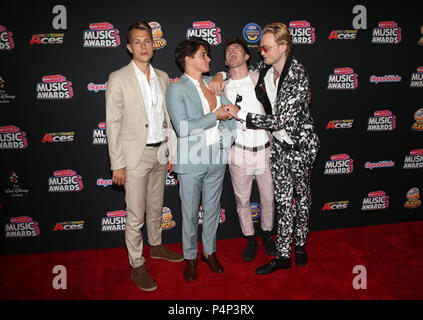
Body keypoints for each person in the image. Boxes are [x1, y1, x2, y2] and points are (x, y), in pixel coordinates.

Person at [222, 22, 320, 274]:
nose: (261, 51)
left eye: (265, 47)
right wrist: (218, 76)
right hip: (278, 148)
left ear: (283, 47)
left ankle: (300, 245)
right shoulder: (265, 68)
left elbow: (280, 120)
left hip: (300, 147)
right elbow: (238, 70)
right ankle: (283, 254)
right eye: (259, 47)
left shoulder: (297, 74)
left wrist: (242, 114)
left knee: (302, 198)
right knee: (284, 201)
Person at [105, 21, 183, 292]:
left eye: (147, 41)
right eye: (137, 42)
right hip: (133, 158)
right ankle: (137, 264)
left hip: (159, 154)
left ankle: (157, 247)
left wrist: (170, 150)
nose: (143, 46)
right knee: (135, 214)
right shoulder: (118, 78)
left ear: (154, 44)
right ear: (129, 47)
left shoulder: (162, 77)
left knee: (155, 207)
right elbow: (112, 123)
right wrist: (118, 164)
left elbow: (168, 119)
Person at [165, 37, 237, 282]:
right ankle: (190, 257)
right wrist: (214, 117)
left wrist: (227, 140)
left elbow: (231, 112)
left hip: (217, 159)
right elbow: (183, 127)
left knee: (213, 211)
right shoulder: (176, 88)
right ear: (189, 60)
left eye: (208, 55)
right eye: (204, 55)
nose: (209, 58)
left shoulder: (213, 82)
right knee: (189, 213)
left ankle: (209, 253)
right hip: (191, 162)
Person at [223, 36, 276, 261]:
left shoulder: (261, 80)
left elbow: (279, 106)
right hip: (238, 151)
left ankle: (267, 234)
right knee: (242, 200)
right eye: (228, 51)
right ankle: (250, 238)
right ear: (226, 61)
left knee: (268, 197)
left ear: (246, 56)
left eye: (236, 49)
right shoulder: (221, 86)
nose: (232, 52)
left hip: (265, 150)